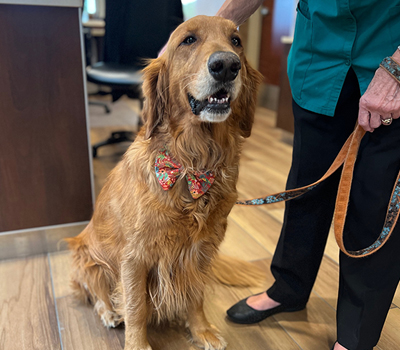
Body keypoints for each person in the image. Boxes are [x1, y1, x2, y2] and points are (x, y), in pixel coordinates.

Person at [216, 1, 400, 350]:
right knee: (304, 187)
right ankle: (288, 288)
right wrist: (209, 31)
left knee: (373, 202)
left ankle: (355, 335)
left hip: (389, 55)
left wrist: (397, 69)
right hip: (319, 57)